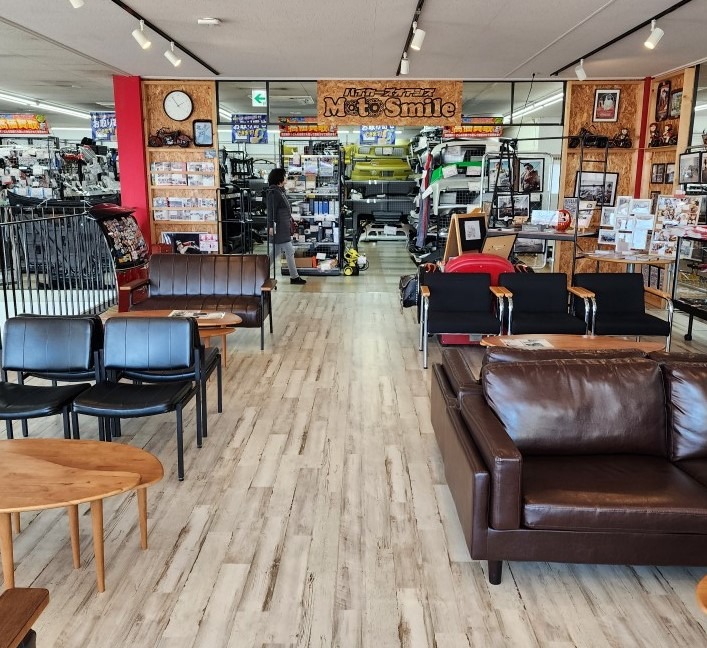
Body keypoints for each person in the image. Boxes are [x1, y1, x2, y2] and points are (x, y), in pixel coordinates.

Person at [266, 167, 306, 284]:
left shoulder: (280, 191)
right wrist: (271, 226)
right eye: (284, 175)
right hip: (279, 228)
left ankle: (259, 271)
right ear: (279, 178)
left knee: (275, 253)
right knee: (289, 251)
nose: (286, 177)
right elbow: (271, 211)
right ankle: (294, 277)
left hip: (283, 227)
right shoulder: (274, 193)